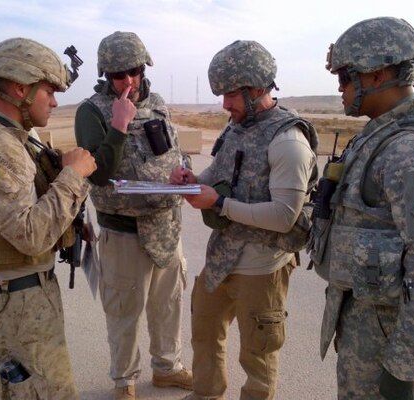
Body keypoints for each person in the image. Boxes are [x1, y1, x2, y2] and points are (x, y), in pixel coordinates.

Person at [0, 37, 96, 399]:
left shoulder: (15, 139)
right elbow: (28, 234)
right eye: (49, 92)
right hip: (16, 304)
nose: (55, 102)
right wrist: (73, 176)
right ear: (21, 88)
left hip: (18, 298)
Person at [309, 17, 414, 400]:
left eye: (345, 78)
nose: (340, 89)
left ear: (377, 75)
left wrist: (402, 369)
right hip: (367, 327)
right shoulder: (378, 138)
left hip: (388, 341)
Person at [170, 40, 317, 399]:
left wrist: (219, 203)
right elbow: (220, 174)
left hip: (262, 265)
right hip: (222, 258)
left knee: (258, 352)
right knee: (204, 333)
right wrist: (194, 184)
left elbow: (284, 216)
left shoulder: (288, 141)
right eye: (222, 95)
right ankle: (205, 393)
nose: (225, 104)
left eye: (231, 95)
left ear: (258, 89)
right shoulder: (236, 127)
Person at [74, 31, 192, 400]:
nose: (128, 81)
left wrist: (182, 170)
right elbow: (99, 172)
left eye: (134, 71)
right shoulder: (91, 111)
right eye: (118, 75)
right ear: (105, 75)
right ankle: (124, 380)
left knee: (168, 304)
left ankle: (166, 368)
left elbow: (172, 152)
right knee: (124, 310)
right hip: (124, 232)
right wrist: (119, 123)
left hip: (167, 226)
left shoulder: (157, 103)